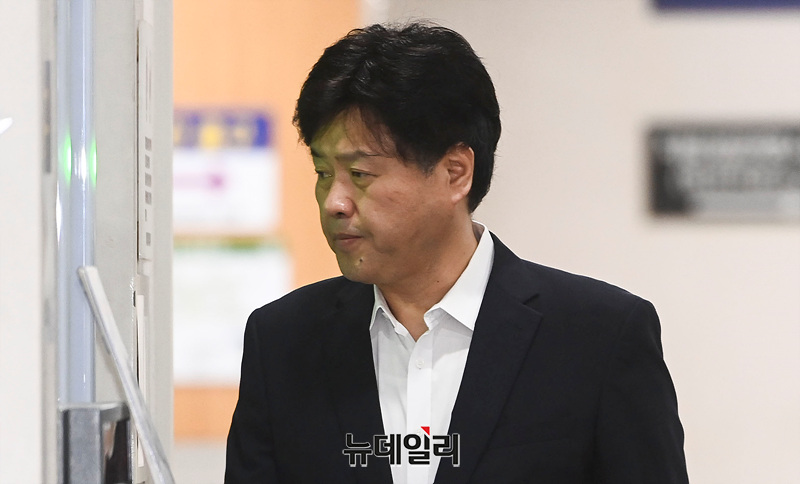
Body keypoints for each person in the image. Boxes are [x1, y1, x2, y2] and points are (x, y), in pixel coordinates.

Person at [225, 22, 689, 484]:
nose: (334, 202)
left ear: (455, 172)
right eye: (323, 173)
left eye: (360, 174)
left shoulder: (599, 338)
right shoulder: (283, 342)